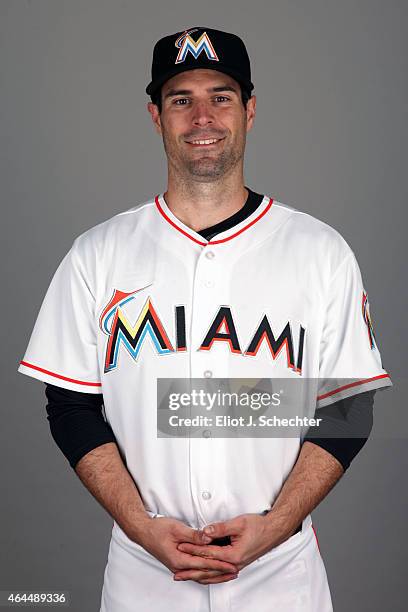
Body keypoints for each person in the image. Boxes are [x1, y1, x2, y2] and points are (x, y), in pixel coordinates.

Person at [18, 27, 392, 611]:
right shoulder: (97, 254)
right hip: (145, 579)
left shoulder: (320, 250)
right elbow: (71, 407)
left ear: (249, 110)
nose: (202, 117)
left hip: (280, 580)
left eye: (220, 96)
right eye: (180, 99)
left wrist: (277, 524)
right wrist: (142, 527)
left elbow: (346, 406)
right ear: (155, 116)